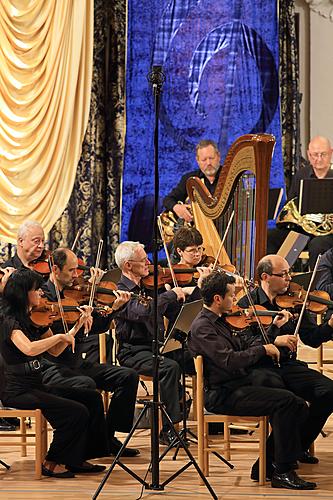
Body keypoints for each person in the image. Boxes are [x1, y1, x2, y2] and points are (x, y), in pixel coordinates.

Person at [188, 271, 317, 490]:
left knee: (293, 399)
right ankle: (282, 471)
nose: (235, 300)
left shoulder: (220, 320)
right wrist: (263, 349)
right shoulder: (203, 327)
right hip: (222, 393)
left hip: (238, 383)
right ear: (218, 299)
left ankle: (269, 465)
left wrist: (272, 331)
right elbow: (229, 360)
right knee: (289, 403)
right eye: (231, 295)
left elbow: (242, 347)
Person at [0, 268, 108, 478]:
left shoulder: (34, 318)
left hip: (35, 384)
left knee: (91, 398)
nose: (41, 293)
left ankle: (76, 458)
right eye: (36, 289)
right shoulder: (7, 320)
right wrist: (59, 338)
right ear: (23, 293)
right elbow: (29, 348)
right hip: (16, 390)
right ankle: (51, 461)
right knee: (75, 411)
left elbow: (55, 350)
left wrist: (76, 326)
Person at [39, 247, 140, 457]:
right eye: (72, 270)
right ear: (55, 269)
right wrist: (76, 323)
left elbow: (97, 326)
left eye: (77, 270)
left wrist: (116, 308)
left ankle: (107, 436)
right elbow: (50, 341)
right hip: (53, 367)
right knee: (87, 385)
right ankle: (86, 446)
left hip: (77, 364)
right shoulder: (42, 298)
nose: (77, 275)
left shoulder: (75, 296)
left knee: (127, 376)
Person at [238, 254, 333, 464]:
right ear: (265, 277)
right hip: (260, 369)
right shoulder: (247, 303)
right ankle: (277, 462)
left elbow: (312, 339)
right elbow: (244, 344)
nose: (289, 279)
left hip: (288, 366)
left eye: (289, 273)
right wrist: (275, 338)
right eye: (283, 275)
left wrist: (329, 326)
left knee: (329, 392)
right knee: (289, 402)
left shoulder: (294, 301)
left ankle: (295, 447)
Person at [114, 240, 194, 445]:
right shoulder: (120, 291)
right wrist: (169, 295)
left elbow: (175, 313)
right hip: (133, 351)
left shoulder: (150, 286)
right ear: (128, 265)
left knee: (195, 357)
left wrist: (193, 293)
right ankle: (168, 430)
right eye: (143, 260)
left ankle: (196, 408)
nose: (149, 263)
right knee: (169, 368)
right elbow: (143, 312)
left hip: (158, 346)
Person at [267, 136, 333, 269]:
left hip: (329, 234)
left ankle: (317, 287)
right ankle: (276, 282)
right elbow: (292, 204)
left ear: (331, 153)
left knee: (317, 245)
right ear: (308, 154)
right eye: (315, 155)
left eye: (323, 154)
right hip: (304, 230)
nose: (318, 159)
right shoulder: (301, 175)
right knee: (270, 236)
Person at [163, 139, 222, 223]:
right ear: (198, 161)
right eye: (204, 160)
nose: (208, 163)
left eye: (211, 158)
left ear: (218, 156)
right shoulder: (189, 179)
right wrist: (177, 208)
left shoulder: (229, 178)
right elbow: (168, 200)